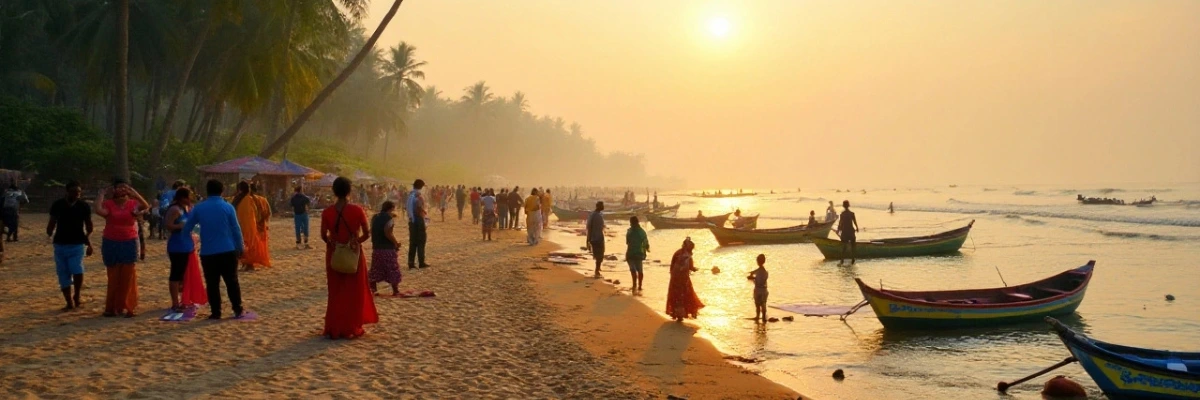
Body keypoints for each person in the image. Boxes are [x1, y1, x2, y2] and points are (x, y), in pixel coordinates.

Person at [321, 177, 378, 339]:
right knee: (354, 291)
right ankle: (351, 326)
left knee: (336, 291)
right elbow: (367, 233)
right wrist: (355, 242)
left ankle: (334, 326)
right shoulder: (357, 210)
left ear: (334, 191)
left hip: (334, 253)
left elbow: (323, 235)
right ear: (349, 191)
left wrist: (333, 243)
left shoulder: (327, 212)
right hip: (353, 253)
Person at [184, 180, 247, 319]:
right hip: (228, 249)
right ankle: (237, 309)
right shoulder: (228, 207)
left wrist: (189, 241)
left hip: (208, 252)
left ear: (207, 191)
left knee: (212, 283)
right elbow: (236, 229)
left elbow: (187, 227)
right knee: (232, 281)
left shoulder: (199, 208)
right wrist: (240, 246)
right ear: (222, 191)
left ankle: (216, 312)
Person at [95, 179, 149, 317]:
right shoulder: (108, 204)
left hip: (129, 242)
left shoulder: (132, 204)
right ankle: (112, 307)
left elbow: (145, 205)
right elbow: (98, 210)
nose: (120, 190)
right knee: (113, 276)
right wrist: (101, 194)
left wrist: (134, 193)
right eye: (117, 188)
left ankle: (127, 306)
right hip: (110, 242)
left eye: (123, 188)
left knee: (128, 275)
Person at [47, 181, 94, 311]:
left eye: (79, 192)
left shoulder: (83, 206)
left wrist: (88, 242)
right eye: (74, 192)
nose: (77, 194)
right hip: (60, 243)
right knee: (63, 273)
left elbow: (89, 226)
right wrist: (49, 232)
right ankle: (68, 301)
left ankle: (77, 295)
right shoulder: (58, 205)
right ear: (67, 192)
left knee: (77, 269)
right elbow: (52, 222)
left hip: (77, 243)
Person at [165, 187, 201, 311]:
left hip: (187, 245)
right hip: (177, 246)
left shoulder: (188, 208)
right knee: (176, 274)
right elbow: (168, 225)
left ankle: (183, 299)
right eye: (189, 196)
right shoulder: (175, 209)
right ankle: (175, 303)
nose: (191, 198)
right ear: (183, 197)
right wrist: (179, 226)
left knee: (184, 275)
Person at [231, 182, 271, 270]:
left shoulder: (244, 200)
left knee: (248, 243)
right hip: (258, 226)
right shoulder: (261, 200)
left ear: (239, 190)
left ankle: (249, 263)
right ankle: (248, 263)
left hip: (247, 226)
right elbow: (267, 214)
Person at [368, 201, 403, 296]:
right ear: (391, 208)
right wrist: (396, 243)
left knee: (376, 268)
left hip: (377, 247)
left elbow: (371, 231)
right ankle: (395, 290)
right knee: (392, 268)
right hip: (387, 248)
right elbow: (388, 233)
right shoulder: (389, 219)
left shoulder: (375, 217)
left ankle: (373, 289)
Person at [666, 237, 703, 322]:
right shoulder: (687, 256)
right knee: (686, 295)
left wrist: (673, 274)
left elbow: (672, 265)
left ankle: (677, 313)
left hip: (675, 278)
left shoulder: (677, 253)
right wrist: (694, 269)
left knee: (676, 295)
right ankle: (684, 313)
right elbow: (690, 267)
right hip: (683, 279)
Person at [406, 179, 430, 269]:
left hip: (412, 220)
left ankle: (411, 262)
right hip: (418, 220)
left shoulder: (410, 195)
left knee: (413, 242)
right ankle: (421, 261)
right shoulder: (418, 196)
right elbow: (419, 208)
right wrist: (424, 213)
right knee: (421, 241)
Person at [625, 216, 649, 292]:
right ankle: (639, 286)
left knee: (633, 270)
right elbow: (645, 243)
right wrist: (646, 250)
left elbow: (627, 242)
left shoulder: (629, 231)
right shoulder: (642, 232)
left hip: (631, 253)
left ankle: (635, 285)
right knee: (640, 271)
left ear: (632, 223)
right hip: (639, 254)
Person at [585, 201, 605, 276]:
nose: (603, 207)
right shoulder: (594, 215)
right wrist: (588, 238)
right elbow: (589, 227)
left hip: (599, 237)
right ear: (598, 206)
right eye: (602, 205)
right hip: (596, 238)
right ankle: (597, 270)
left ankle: (598, 268)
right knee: (599, 255)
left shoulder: (599, 215)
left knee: (600, 254)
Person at [747, 254, 769, 322]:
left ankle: (758, 316)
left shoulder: (759, 271)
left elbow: (758, 281)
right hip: (764, 290)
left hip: (758, 290)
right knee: (763, 303)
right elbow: (758, 271)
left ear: (757, 262)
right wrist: (753, 273)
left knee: (757, 304)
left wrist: (752, 278)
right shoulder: (765, 271)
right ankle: (764, 317)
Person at [838, 200, 860, 265]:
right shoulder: (852, 214)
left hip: (844, 232)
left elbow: (840, 223)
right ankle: (853, 259)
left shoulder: (842, 214)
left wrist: (839, 229)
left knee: (844, 246)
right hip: (851, 231)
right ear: (848, 205)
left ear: (843, 206)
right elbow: (855, 222)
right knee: (853, 246)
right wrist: (857, 228)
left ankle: (842, 260)